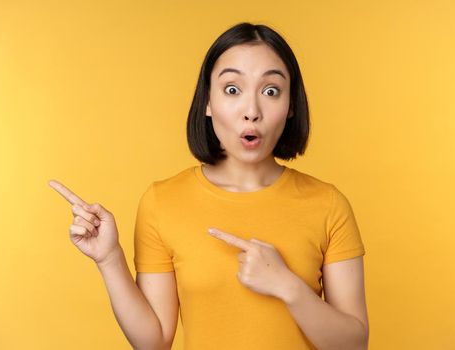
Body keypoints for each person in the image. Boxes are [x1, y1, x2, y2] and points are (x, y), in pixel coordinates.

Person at [49, 22, 368, 350]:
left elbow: (353, 345)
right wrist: (109, 259)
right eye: (232, 89)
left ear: (290, 108)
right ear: (208, 103)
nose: (252, 111)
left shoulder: (328, 204)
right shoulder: (163, 201)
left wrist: (288, 287)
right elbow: (154, 341)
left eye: (271, 90)